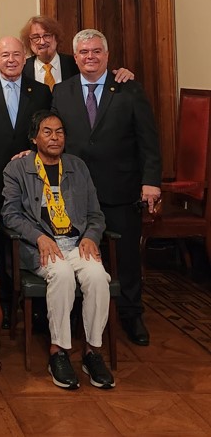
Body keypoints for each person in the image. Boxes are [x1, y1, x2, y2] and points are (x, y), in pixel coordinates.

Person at [52, 29, 161, 347]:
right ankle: (75, 318)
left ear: (107, 55)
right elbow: (53, 136)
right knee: (77, 255)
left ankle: (131, 314)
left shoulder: (128, 89)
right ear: (75, 57)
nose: (90, 57)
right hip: (75, 194)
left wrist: (151, 181)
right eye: (84, 52)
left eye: (96, 51)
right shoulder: (62, 91)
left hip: (121, 188)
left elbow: (148, 141)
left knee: (126, 256)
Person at [2, 111, 115, 390]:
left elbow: (95, 214)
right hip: (39, 246)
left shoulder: (78, 167)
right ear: (34, 138)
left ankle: (92, 352)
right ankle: (58, 352)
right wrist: (39, 237)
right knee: (62, 274)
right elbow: (10, 215)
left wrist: (90, 236)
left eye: (60, 131)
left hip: (77, 244)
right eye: (47, 131)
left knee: (98, 277)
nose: (55, 137)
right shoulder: (17, 169)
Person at [0, 36, 52, 328]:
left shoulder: (41, 92)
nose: (11, 60)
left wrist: (33, 151)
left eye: (17, 54)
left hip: (31, 180)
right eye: (5, 55)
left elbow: (47, 132)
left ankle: (37, 307)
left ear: (24, 57)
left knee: (32, 238)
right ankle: (3, 305)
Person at [20, 16, 134, 91]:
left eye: (47, 35)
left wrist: (123, 73)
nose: (42, 41)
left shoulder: (78, 62)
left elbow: (101, 75)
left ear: (56, 37)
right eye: (35, 37)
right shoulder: (22, 69)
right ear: (28, 41)